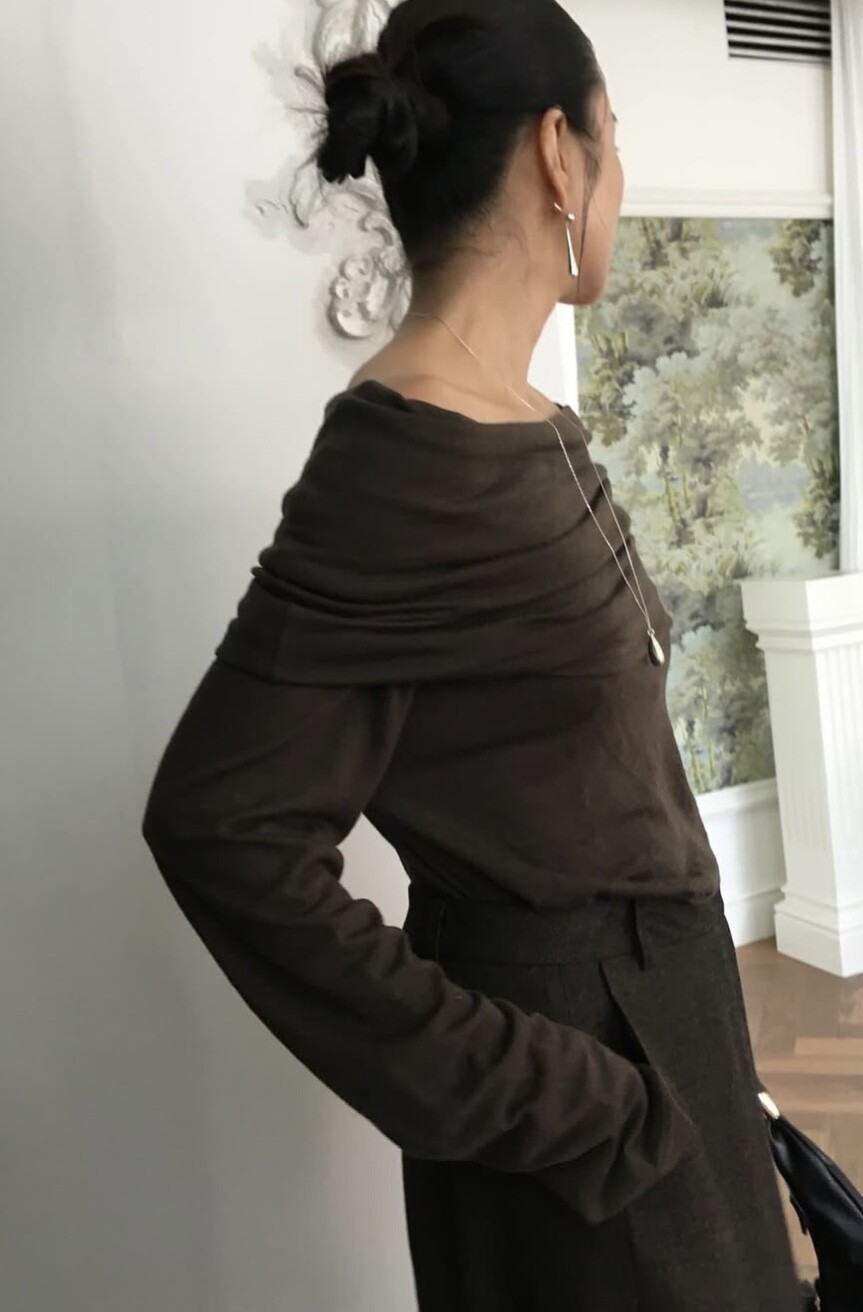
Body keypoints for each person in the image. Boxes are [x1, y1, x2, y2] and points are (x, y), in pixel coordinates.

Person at [141, 0, 803, 1307]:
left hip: (665, 1025)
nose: (621, 174)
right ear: (560, 153)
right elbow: (219, 827)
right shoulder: (407, 460)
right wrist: (561, 1094)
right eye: (615, 137)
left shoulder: (528, 416)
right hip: (582, 1090)